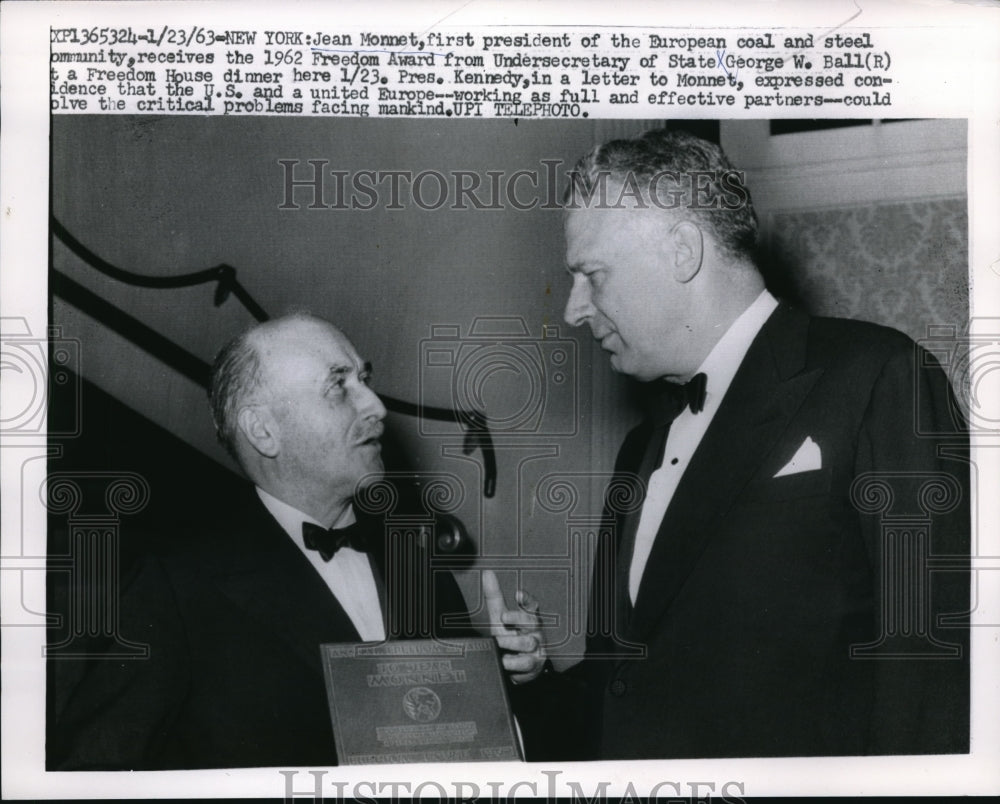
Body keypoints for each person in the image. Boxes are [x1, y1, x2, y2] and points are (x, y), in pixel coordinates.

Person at [539, 128, 970, 759]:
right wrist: (535, 678)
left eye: (592, 275)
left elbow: (933, 672)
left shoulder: (878, 377)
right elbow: (627, 684)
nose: (574, 310)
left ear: (682, 251)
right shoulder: (642, 448)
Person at [50, 313, 544, 769]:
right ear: (264, 431)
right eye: (338, 385)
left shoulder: (415, 566)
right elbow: (93, 774)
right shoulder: (175, 587)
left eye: (364, 380)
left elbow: (462, 750)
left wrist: (503, 678)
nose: (375, 405)